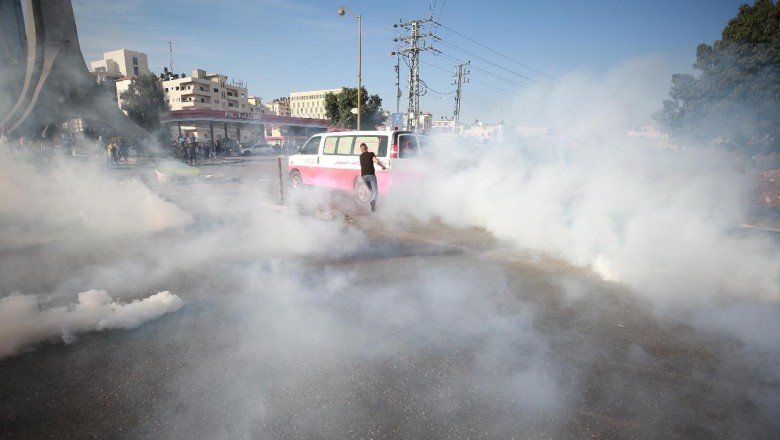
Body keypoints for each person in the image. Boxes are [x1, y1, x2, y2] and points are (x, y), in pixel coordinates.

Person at [359, 143, 386, 212]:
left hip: (363, 176)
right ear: (367, 148)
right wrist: (383, 166)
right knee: (375, 191)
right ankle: (373, 202)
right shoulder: (371, 154)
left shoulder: (361, 156)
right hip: (371, 175)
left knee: (371, 191)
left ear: (361, 149)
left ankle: (373, 206)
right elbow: (376, 161)